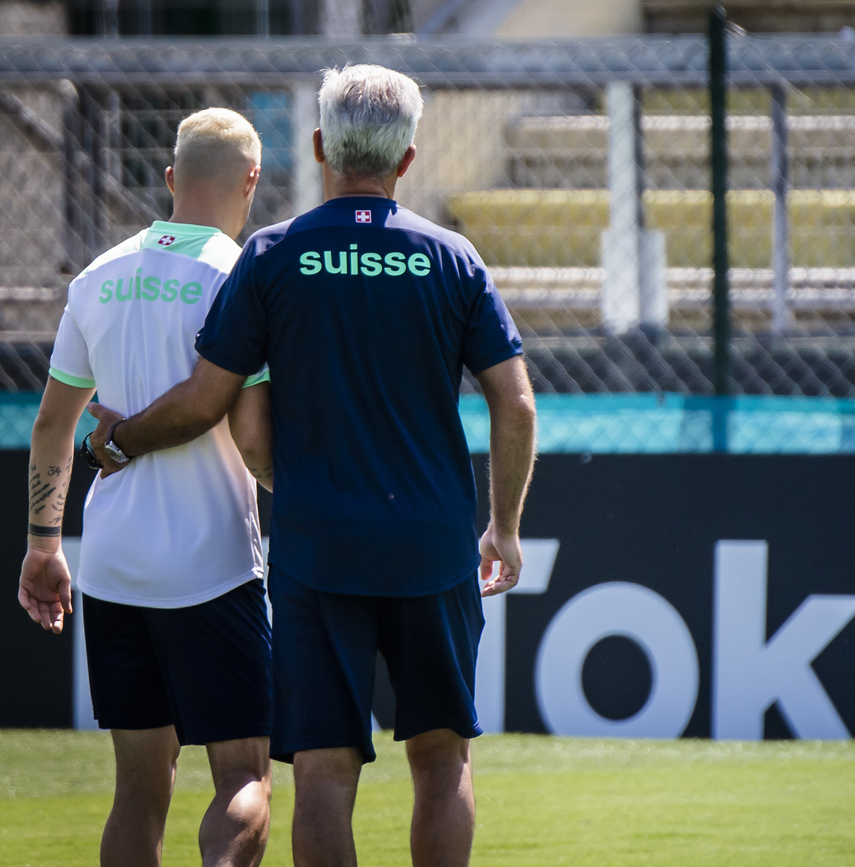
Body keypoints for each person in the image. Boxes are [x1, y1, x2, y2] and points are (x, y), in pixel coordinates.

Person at [86, 65, 538, 867]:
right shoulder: (454, 258)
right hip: (430, 546)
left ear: (322, 147)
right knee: (441, 758)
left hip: (316, 545)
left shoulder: (271, 255)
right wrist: (501, 525)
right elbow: (517, 402)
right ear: (406, 160)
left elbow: (205, 401)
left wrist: (122, 441)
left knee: (325, 770)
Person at [18, 108, 275, 867]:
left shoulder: (97, 275)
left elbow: (52, 426)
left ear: (169, 180)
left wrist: (42, 543)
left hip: (115, 565)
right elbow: (255, 433)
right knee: (243, 774)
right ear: (251, 181)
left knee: (138, 789)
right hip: (213, 563)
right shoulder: (242, 273)